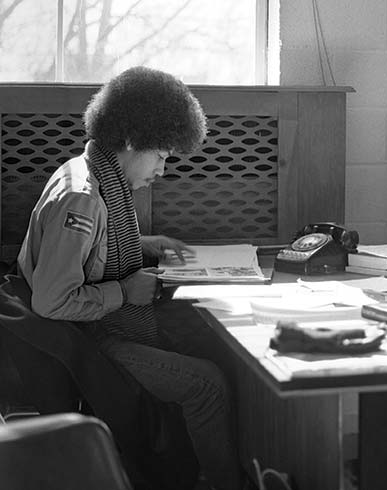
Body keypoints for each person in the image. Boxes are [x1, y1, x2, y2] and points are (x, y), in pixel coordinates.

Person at [16, 66, 242, 490]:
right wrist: (124, 290)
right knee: (208, 383)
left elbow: (92, 253)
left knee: (214, 345)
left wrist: (146, 243)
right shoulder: (83, 201)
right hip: (89, 341)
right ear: (134, 141)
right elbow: (50, 300)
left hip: (97, 327)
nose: (162, 169)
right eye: (160, 155)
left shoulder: (94, 177)